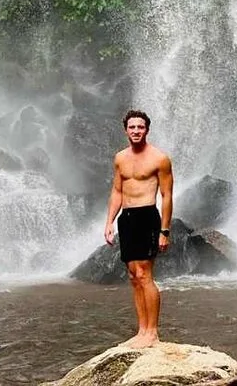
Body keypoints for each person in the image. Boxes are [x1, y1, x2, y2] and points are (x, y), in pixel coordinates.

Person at [104, 109, 173, 348]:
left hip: (147, 217)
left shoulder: (159, 159)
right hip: (127, 218)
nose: (136, 131)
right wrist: (109, 222)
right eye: (132, 127)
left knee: (145, 275)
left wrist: (165, 231)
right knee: (134, 277)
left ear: (147, 130)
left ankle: (152, 333)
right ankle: (142, 330)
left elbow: (166, 195)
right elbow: (117, 191)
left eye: (140, 127)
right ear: (126, 130)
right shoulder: (120, 158)